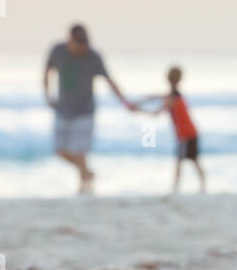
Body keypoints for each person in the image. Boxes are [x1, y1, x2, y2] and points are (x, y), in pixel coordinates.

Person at [43, 24, 134, 193]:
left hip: (85, 111)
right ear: (70, 40)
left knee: (80, 150)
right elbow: (47, 71)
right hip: (63, 109)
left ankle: (83, 184)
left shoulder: (93, 56)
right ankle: (87, 173)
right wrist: (48, 95)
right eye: (79, 44)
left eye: (85, 44)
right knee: (59, 150)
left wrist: (125, 102)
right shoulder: (58, 51)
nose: (83, 48)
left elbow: (109, 81)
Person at [138, 66, 205, 194]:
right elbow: (159, 97)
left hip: (185, 135)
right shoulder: (176, 95)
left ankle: (177, 188)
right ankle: (201, 185)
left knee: (181, 161)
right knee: (193, 161)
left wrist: (138, 110)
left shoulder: (173, 98)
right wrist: (144, 100)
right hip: (190, 132)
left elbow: (156, 113)